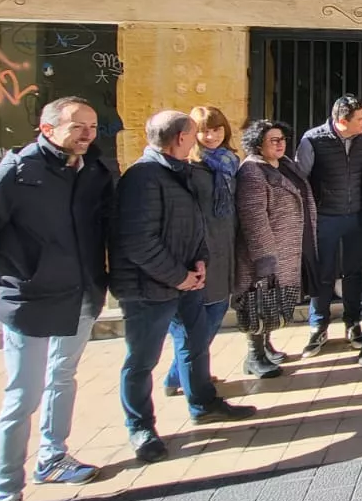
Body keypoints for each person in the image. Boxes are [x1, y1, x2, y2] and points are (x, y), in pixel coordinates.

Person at [0, 97, 112, 501]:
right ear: (46, 127)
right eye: (77, 126)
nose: (86, 134)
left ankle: (53, 457)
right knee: (23, 397)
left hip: (81, 297)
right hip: (30, 304)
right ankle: (5, 493)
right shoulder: (15, 174)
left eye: (92, 126)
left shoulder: (93, 170)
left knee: (63, 378)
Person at [113, 111, 255, 465]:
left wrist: (200, 260)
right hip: (148, 288)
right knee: (142, 360)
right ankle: (141, 427)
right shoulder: (143, 177)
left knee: (194, 345)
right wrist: (178, 275)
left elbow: (195, 225)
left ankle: (203, 403)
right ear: (180, 138)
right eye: (193, 134)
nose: (197, 140)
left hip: (188, 279)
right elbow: (138, 240)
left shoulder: (181, 172)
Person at [160, 105, 238, 398]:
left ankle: (186, 373)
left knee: (216, 311)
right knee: (200, 319)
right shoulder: (189, 167)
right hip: (200, 250)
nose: (212, 136)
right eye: (205, 131)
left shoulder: (230, 162)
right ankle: (182, 375)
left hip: (226, 244)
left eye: (217, 129)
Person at [234, 119, 315, 378]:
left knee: (270, 300)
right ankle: (254, 355)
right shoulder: (252, 172)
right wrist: (264, 258)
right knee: (256, 300)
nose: (280, 144)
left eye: (282, 139)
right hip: (265, 252)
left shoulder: (284, 166)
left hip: (285, 248)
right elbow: (254, 219)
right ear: (258, 144)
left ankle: (266, 347)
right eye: (273, 140)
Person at [295, 94, 362, 355]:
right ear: (342, 120)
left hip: (357, 215)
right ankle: (318, 327)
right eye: (361, 119)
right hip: (325, 217)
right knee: (323, 274)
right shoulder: (313, 139)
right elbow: (300, 180)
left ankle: (353, 322)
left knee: (353, 273)